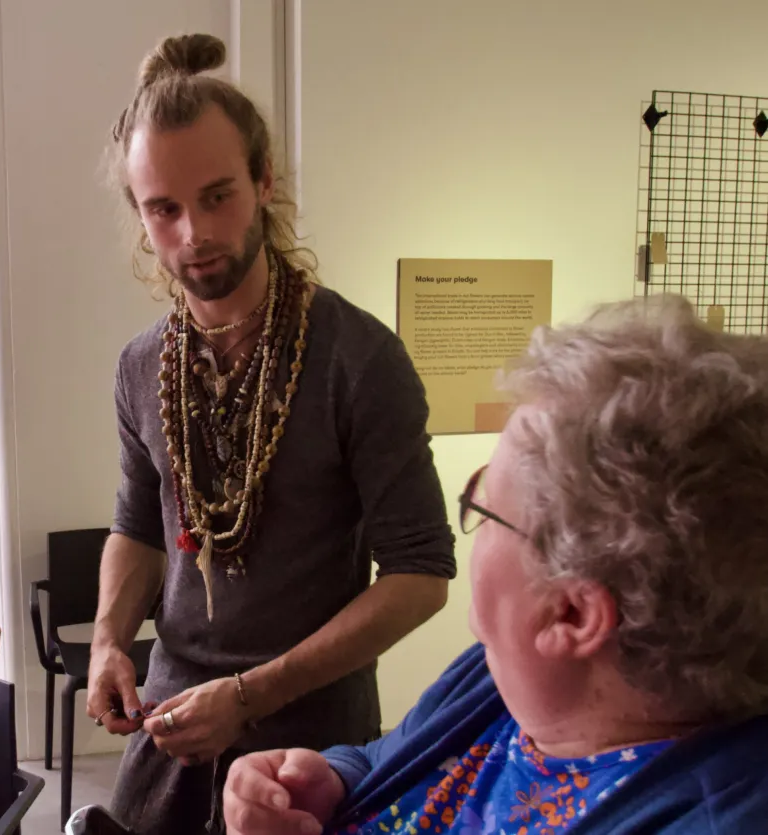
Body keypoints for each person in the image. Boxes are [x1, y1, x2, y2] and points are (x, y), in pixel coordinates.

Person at [87, 33, 458, 835]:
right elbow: (135, 523)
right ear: (141, 215)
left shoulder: (359, 359)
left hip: (308, 748)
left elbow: (422, 572)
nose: (194, 233)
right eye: (165, 209)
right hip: (172, 726)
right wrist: (109, 642)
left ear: (265, 182)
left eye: (218, 196)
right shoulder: (139, 366)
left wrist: (252, 694)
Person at [222, 294, 768, 835]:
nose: (472, 522)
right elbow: (388, 758)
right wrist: (333, 779)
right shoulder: (500, 677)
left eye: (482, 506)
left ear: (570, 614)